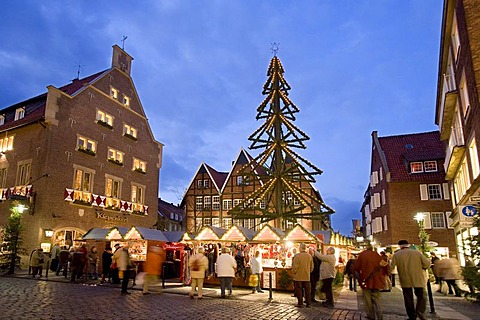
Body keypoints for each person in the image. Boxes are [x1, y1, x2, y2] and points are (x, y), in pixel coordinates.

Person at [390, 240, 430, 320]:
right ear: (408, 245)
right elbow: (426, 264)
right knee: (421, 296)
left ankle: (412, 316)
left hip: (405, 279)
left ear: (400, 246)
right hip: (418, 278)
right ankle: (420, 312)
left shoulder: (396, 255)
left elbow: (391, 267)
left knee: (408, 298)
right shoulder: (417, 253)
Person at [353, 243, 387, 320]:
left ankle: (371, 316)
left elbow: (357, 267)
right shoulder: (377, 255)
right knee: (377, 299)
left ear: (365, 247)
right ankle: (380, 315)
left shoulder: (362, 255)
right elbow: (384, 266)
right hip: (377, 280)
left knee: (368, 299)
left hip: (366, 280)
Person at [292, 243, 313, 308]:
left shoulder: (297, 256)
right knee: (307, 291)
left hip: (298, 276)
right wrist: (308, 272)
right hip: (307, 277)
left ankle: (300, 303)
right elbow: (312, 267)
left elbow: (295, 267)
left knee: (299, 290)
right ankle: (308, 304)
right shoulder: (309, 256)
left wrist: (294, 272)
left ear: (300, 248)